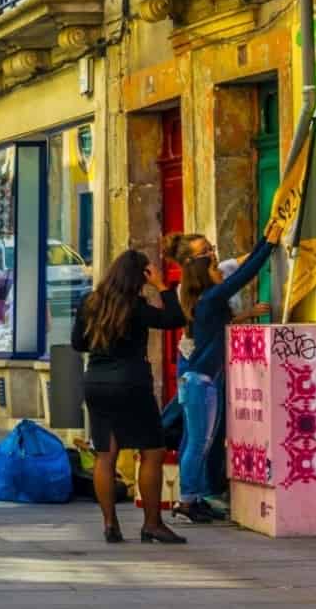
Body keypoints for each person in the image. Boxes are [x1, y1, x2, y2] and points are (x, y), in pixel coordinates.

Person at [73, 248, 188, 544]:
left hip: (96, 382)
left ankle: (110, 523)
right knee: (152, 451)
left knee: (105, 454)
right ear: (140, 277)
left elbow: (78, 343)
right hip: (131, 383)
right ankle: (152, 524)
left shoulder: (91, 302)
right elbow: (174, 320)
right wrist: (163, 287)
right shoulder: (135, 306)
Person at [173, 217, 283, 523]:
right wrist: (270, 243)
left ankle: (192, 497)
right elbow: (245, 274)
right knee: (199, 443)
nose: (218, 266)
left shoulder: (204, 299)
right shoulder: (210, 299)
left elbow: (240, 269)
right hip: (199, 382)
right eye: (211, 262)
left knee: (198, 441)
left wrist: (266, 237)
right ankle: (187, 501)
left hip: (198, 379)